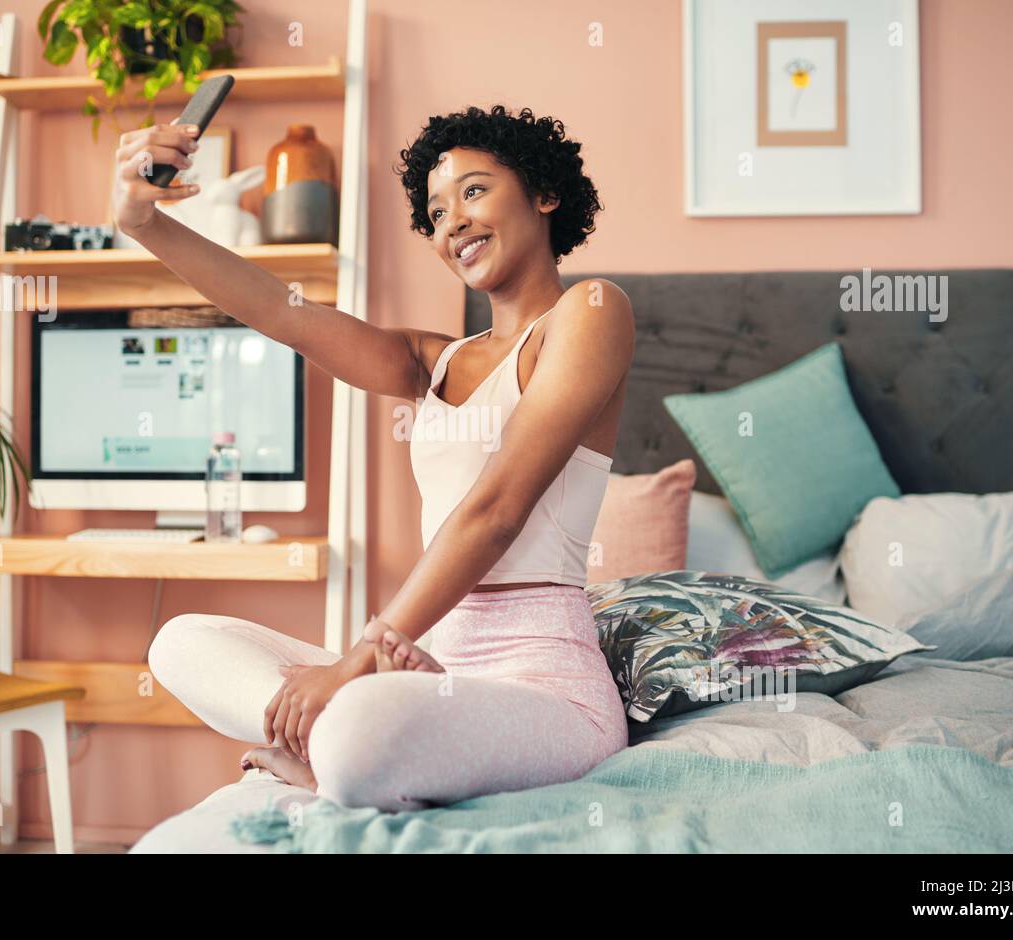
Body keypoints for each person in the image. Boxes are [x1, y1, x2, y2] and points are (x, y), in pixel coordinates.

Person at [114, 104, 635, 812]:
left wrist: (364, 655)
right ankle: (365, 732)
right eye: (437, 209)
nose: (453, 222)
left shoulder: (593, 312)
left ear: (545, 193)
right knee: (180, 642)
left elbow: (497, 511)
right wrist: (145, 224)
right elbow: (283, 313)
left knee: (361, 731)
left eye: (475, 191)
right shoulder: (432, 360)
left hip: (542, 685)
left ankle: (345, 746)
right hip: (421, 662)